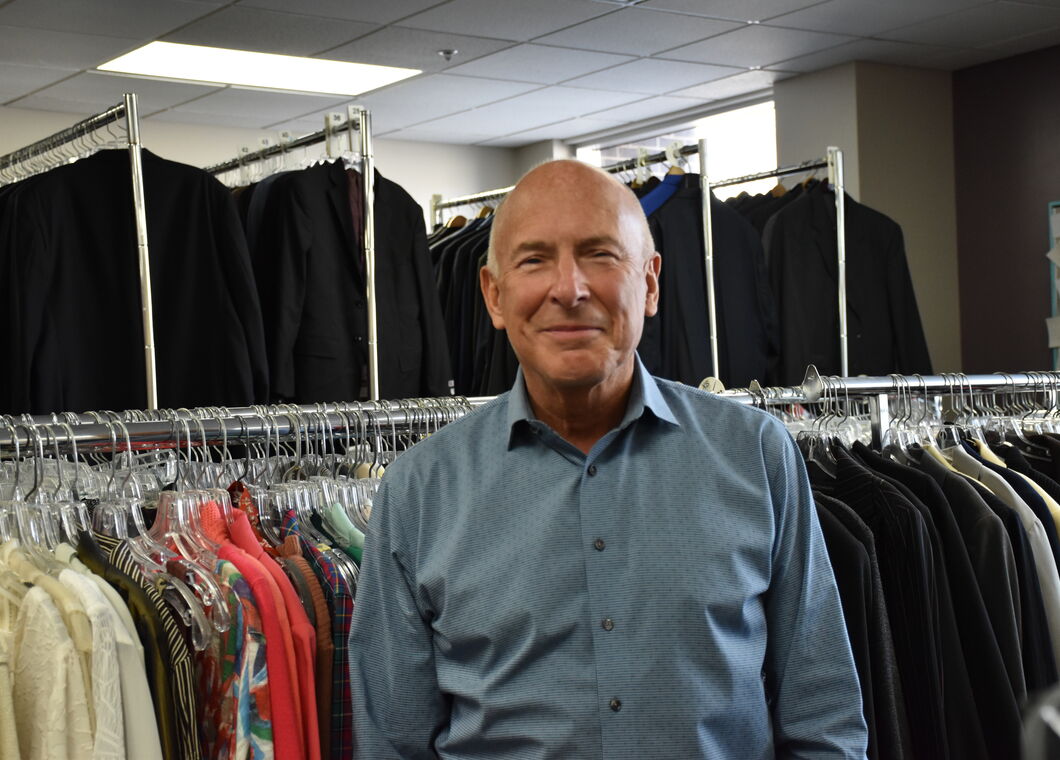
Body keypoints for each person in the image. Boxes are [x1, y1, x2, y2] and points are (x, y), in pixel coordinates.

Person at [349, 159, 868, 759]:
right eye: (534, 260)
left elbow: (822, 714)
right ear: (493, 294)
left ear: (649, 284)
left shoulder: (755, 454)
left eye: (600, 254)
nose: (568, 289)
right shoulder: (419, 490)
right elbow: (392, 742)